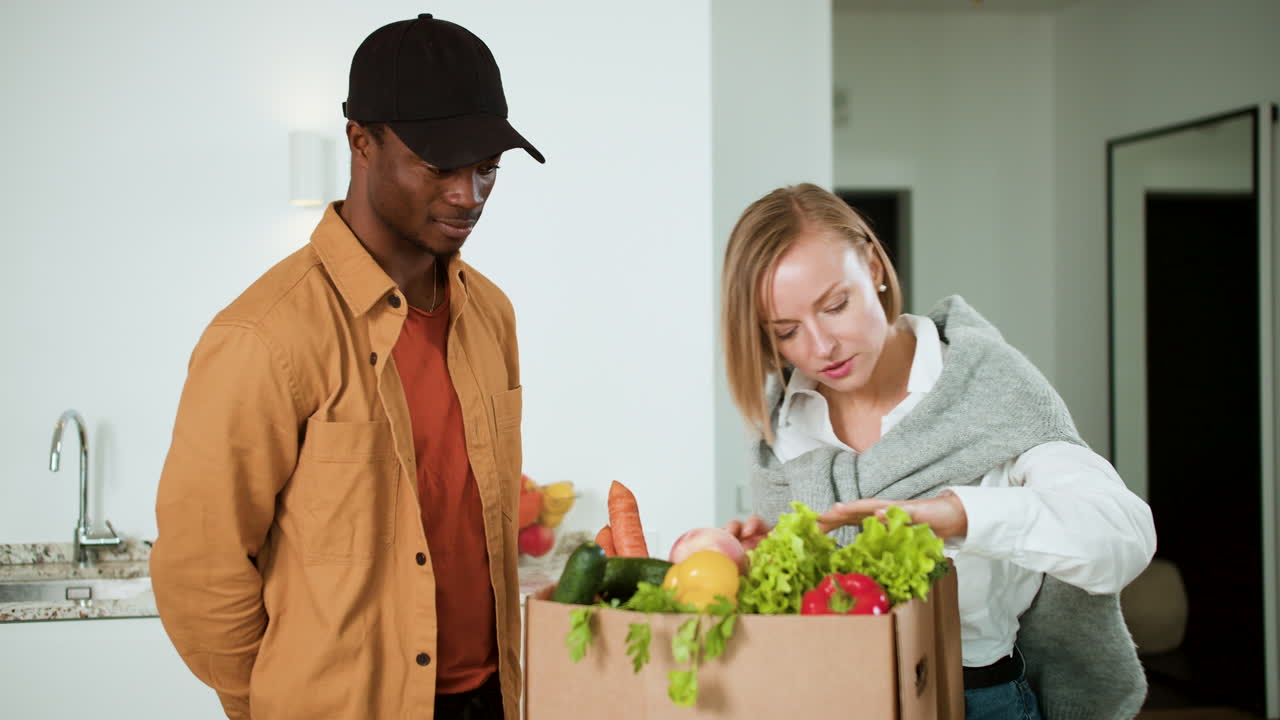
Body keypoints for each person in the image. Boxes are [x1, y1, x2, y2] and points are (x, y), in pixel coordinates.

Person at [150, 14, 542, 720]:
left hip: (493, 700)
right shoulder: (263, 338)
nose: (469, 193)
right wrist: (278, 702)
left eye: (488, 166)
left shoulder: (491, 316)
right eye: (440, 164)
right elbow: (198, 575)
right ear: (362, 142)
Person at [719, 183, 1156, 720]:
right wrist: (761, 561)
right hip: (830, 696)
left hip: (978, 696)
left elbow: (1123, 536)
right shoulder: (782, 419)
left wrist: (960, 516)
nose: (819, 348)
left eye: (835, 305)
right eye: (785, 332)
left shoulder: (988, 384)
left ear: (875, 267)